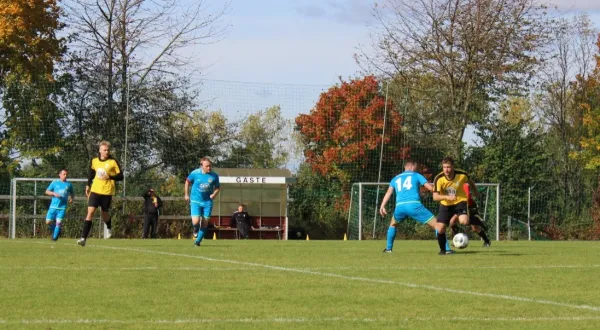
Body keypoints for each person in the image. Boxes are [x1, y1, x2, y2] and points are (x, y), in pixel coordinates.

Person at [379, 160, 451, 253]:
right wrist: (442, 195)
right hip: (414, 205)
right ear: (412, 167)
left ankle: (388, 249)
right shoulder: (416, 175)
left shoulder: (395, 178)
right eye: (416, 168)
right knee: (437, 225)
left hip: (400, 206)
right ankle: (447, 249)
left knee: (393, 224)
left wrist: (382, 206)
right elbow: (429, 188)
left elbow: (389, 192)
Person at [77, 141, 124, 246]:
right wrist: (88, 184)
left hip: (107, 192)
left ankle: (109, 226)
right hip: (95, 190)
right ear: (100, 150)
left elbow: (121, 176)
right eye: (104, 150)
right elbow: (91, 172)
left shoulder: (113, 161)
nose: (107, 152)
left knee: (104, 213)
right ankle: (83, 238)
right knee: (90, 213)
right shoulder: (94, 161)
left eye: (108, 150)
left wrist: (110, 177)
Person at [432, 156, 480, 255]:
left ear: (453, 166)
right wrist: (447, 197)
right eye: (444, 167)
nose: (446, 170)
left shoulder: (462, 175)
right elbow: (435, 197)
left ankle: (473, 220)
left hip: (460, 202)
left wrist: (476, 192)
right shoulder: (439, 178)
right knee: (440, 228)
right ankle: (442, 251)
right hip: (445, 204)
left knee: (464, 221)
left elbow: (471, 182)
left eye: (448, 167)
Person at [184, 157, 220, 246]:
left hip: (207, 202)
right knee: (196, 222)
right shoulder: (195, 173)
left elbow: (218, 188)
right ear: (202, 166)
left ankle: (197, 242)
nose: (209, 168)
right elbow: (187, 182)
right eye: (207, 166)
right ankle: (195, 228)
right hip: (195, 201)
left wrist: (214, 194)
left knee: (205, 222)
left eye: (210, 166)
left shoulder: (214, 176)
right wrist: (186, 194)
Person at [449, 183, 491, 247]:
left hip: (470, 206)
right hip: (460, 205)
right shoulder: (453, 184)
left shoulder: (464, 183)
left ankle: (487, 240)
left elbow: (468, 195)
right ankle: (457, 240)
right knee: (452, 222)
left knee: (475, 228)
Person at [45, 168, 74, 241]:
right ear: (60, 175)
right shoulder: (54, 182)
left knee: (58, 223)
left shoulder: (69, 184)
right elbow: (47, 191)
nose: (65, 176)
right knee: (48, 222)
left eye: (66, 174)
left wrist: (71, 198)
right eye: (64, 174)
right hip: (53, 207)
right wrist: (53, 193)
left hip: (62, 208)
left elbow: (72, 193)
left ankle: (54, 238)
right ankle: (57, 230)